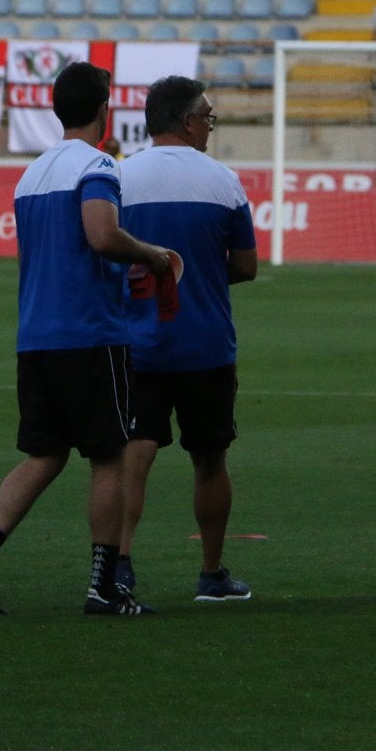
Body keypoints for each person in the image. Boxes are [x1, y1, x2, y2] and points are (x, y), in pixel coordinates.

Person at [0, 61, 173, 618]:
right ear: (103, 110)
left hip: (37, 337)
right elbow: (100, 234)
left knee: (43, 455)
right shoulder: (98, 165)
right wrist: (151, 255)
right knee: (110, 457)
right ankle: (103, 586)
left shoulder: (31, 174)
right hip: (91, 335)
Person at [116, 76, 258, 604]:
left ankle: (120, 564)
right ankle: (211, 573)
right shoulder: (223, 181)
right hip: (205, 342)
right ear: (187, 120)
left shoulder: (117, 177)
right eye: (208, 118)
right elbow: (246, 265)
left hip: (136, 340)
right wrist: (197, 272)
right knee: (210, 457)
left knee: (134, 453)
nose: (210, 127)